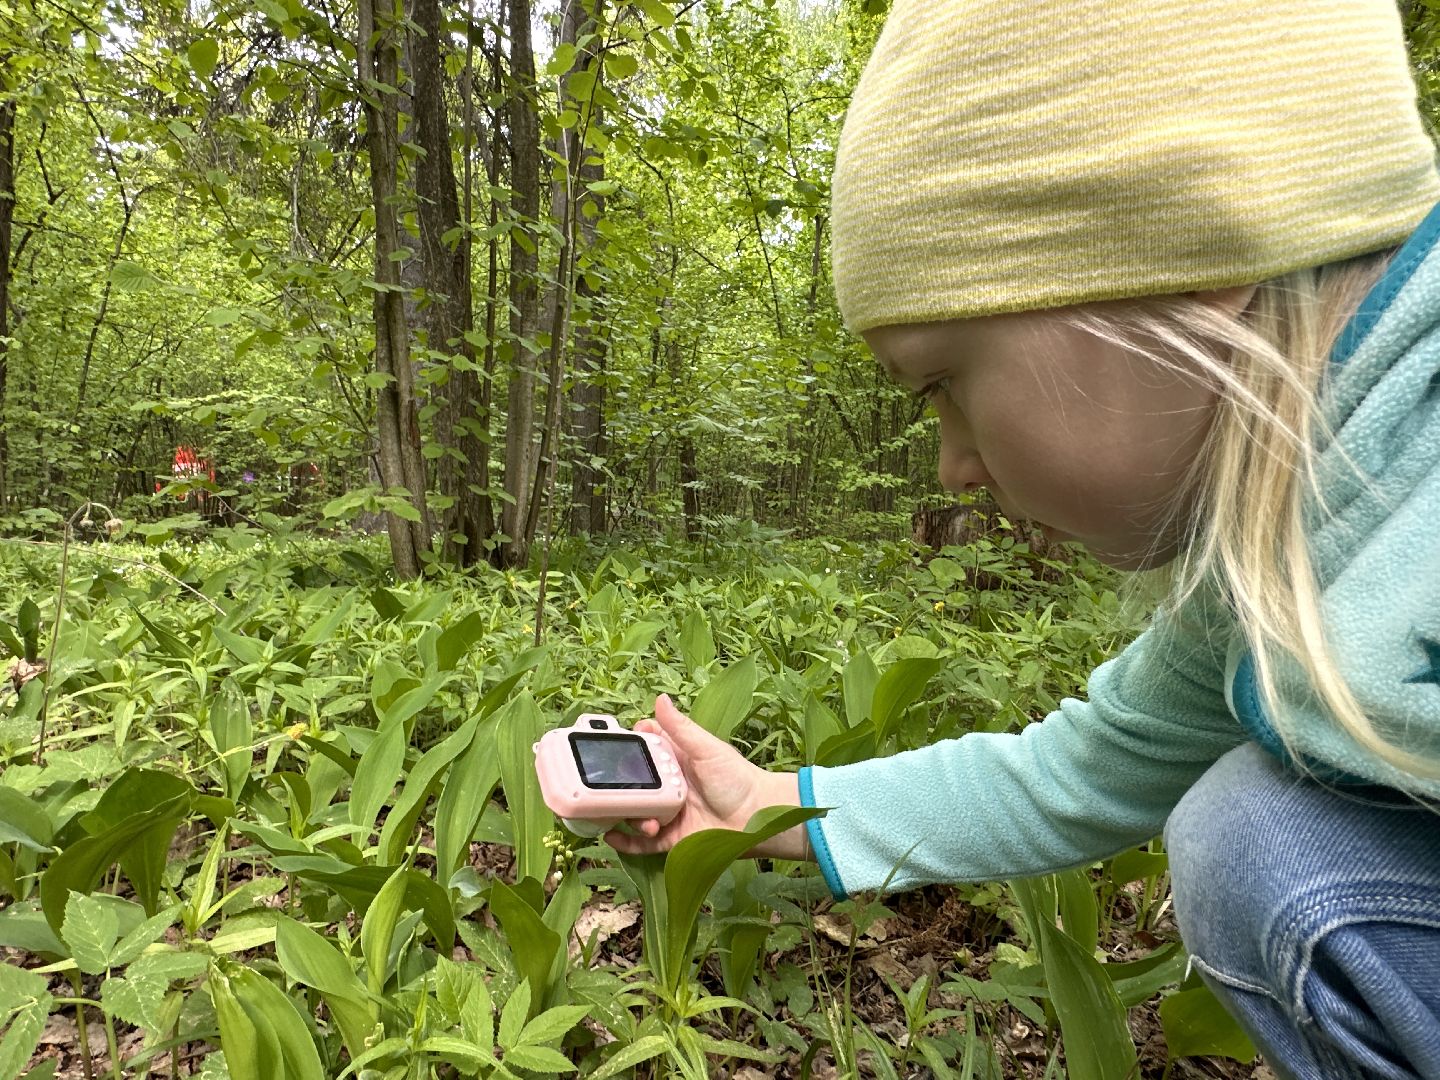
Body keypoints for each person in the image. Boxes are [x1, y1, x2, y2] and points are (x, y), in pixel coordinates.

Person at [606, 2, 1440, 1077]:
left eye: (944, 383)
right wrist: (769, 804)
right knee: (1257, 843)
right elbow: (1079, 769)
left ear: (1190, 250)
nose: (952, 466)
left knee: (1261, 849)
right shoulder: (1273, 575)